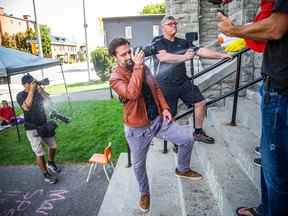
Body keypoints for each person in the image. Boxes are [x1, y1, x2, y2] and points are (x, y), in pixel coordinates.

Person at [109, 37, 202, 213]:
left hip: (158, 120)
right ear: (115, 57)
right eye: (124, 54)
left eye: (129, 51)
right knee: (139, 165)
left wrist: (165, 108)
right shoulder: (115, 77)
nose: (129, 55)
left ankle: (182, 169)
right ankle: (144, 193)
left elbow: (156, 88)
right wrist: (138, 66)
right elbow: (132, 93)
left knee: (187, 139)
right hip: (137, 129)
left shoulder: (144, 67)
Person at [218, 0, 288, 215]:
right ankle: (264, 209)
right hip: (274, 90)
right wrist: (240, 34)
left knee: (276, 169)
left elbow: (276, 27)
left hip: (280, 94)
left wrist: (234, 29)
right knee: (269, 160)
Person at [153, 15, 231, 149]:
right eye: (170, 24)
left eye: (175, 23)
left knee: (200, 102)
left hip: (183, 81)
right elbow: (163, 57)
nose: (174, 26)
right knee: (170, 114)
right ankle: (177, 140)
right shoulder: (158, 41)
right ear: (163, 27)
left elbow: (199, 50)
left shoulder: (183, 42)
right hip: (165, 84)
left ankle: (198, 133)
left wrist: (220, 55)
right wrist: (184, 57)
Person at [17, 74, 61, 184]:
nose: (34, 84)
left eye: (34, 82)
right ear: (25, 84)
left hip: (44, 125)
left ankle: (50, 162)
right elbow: (26, 106)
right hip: (32, 128)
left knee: (53, 146)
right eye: (31, 83)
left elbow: (49, 100)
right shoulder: (20, 95)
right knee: (40, 153)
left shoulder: (37, 91)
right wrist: (32, 91)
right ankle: (46, 174)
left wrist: (41, 91)